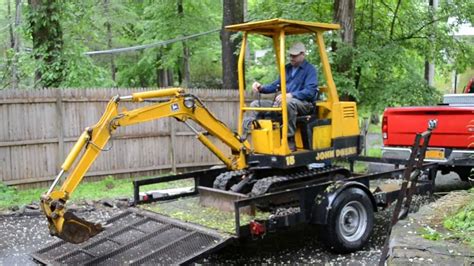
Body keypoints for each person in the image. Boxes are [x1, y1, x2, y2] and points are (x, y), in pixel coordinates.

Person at [244, 42, 318, 151]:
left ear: (303, 54)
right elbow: (276, 85)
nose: (291, 58)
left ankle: (289, 138)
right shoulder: (287, 68)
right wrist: (261, 87)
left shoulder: (310, 70)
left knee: (288, 103)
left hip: (304, 104)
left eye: (294, 55)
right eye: (290, 55)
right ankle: (256, 135)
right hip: (284, 102)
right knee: (255, 104)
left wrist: (291, 95)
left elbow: (310, 91)